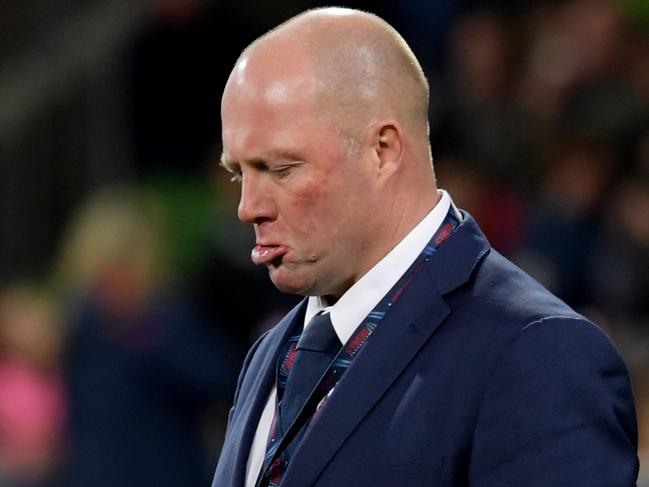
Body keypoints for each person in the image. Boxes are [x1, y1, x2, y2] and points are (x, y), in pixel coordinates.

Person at [213, 7, 639, 487]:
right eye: (238, 172)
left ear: (384, 151)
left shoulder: (539, 354)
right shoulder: (270, 354)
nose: (248, 206)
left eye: (282, 168)